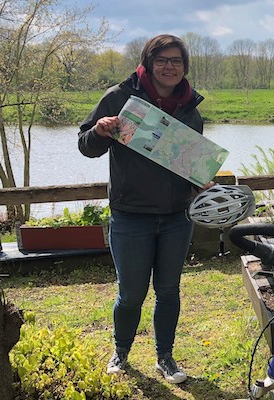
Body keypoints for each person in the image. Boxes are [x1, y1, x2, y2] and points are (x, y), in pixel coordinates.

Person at [78, 34, 206, 384]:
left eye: (176, 61)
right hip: (130, 216)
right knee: (131, 293)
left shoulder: (190, 109)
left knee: (169, 291)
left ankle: (165, 357)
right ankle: (121, 351)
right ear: (149, 63)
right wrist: (100, 132)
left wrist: (203, 180)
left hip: (177, 218)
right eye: (162, 60)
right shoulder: (119, 97)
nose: (169, 67)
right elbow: (85, 146)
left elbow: (190, 166)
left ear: (184, 67)